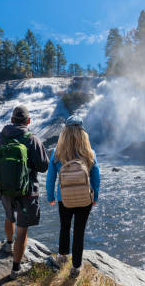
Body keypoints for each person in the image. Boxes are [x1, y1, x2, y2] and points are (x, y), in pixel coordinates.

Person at [0, 105, 48, 279]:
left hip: (5, 189)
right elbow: (43, 166)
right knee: (22, 231)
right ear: (28, 121)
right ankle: (15, 269)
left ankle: (8, 244)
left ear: (12, 120)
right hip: (27, 192)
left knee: (9, 216)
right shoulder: (32, 139)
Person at [46, 115, 100, 278]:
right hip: (85, 198)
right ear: (83, 133)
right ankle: (76, 267)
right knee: (79, 231)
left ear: (64, 133)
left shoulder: (57, 153)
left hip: (64, 198)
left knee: (64, 226)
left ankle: (62, 256)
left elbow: (50, 178)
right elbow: (96, 177)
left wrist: (50, 196)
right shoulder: (89, 153)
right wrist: (95, 196)